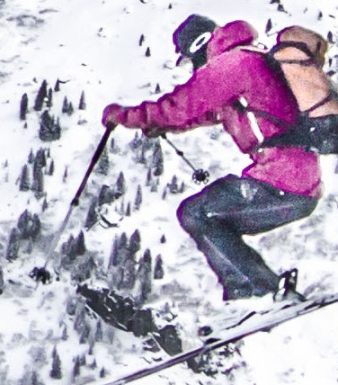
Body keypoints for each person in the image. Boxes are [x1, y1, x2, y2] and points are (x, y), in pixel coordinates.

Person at [102, 15, 325, 302]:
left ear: (199, 45)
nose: (193, 67)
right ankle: (253, 291)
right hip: (297, 182)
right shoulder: (249, 59)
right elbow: (209, 112)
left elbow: (182, 105)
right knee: (210, 217)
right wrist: (162, 125)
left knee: (198, 213)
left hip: (282, 181)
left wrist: (124, 116)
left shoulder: (231, 64)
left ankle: (257, 292)